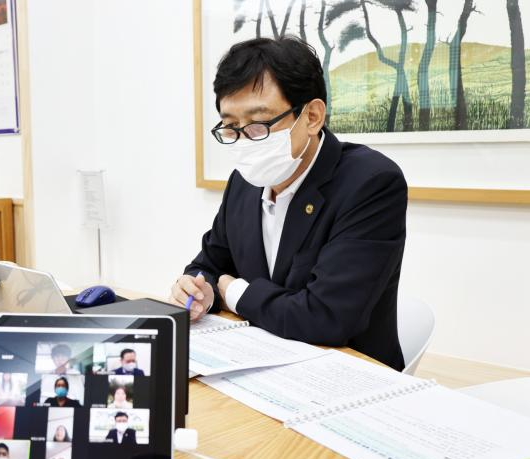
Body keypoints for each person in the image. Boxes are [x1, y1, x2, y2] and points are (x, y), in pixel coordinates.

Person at [170, 37, 407, 371]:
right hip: (260, 363)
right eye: (231, 126)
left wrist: (234, 291)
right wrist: (199, 289)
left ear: (311, 116)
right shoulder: (244, 183)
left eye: (258, 124)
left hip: (346, 373)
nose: (244, 141)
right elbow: (209, 263)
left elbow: (326, 317)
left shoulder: (370, 183)